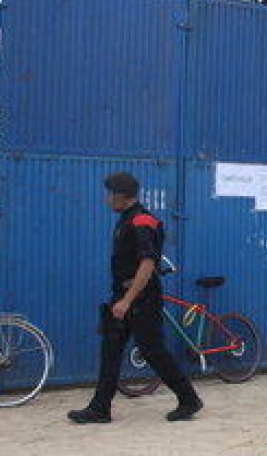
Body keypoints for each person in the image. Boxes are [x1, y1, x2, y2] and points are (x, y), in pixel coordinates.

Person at [67, 172, 202, 425]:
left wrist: (127, 300)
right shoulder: (125, 219)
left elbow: (148, 264)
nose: (107, 199)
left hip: (141, 299)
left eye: (110, 194)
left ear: (121, 196)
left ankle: (189, 399)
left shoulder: (141, 221)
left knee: (153, 351)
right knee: (111, 350)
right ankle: (99, 409)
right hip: (123, 295)